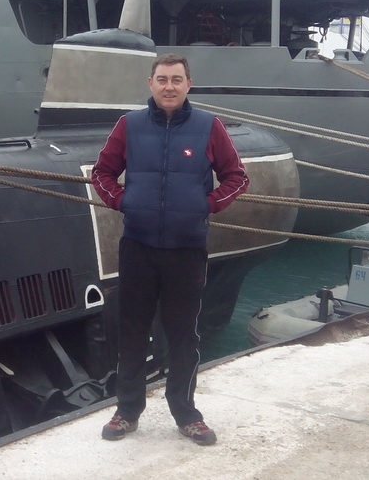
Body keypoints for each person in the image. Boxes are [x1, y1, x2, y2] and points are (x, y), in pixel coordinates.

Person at [91, 53, 249, 447]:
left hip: (186, 249)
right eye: (162, 79)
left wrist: (206, 205)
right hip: (138, 246)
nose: (169, 87)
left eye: (177, 80)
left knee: (183, 336)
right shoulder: (129, 125)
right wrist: (122, 201)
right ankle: (127, 411)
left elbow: (237, 177)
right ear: (151, 83)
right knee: (132, 332)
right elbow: (102, 172)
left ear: (188, 85)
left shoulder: (208, 126)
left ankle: (186, 413)